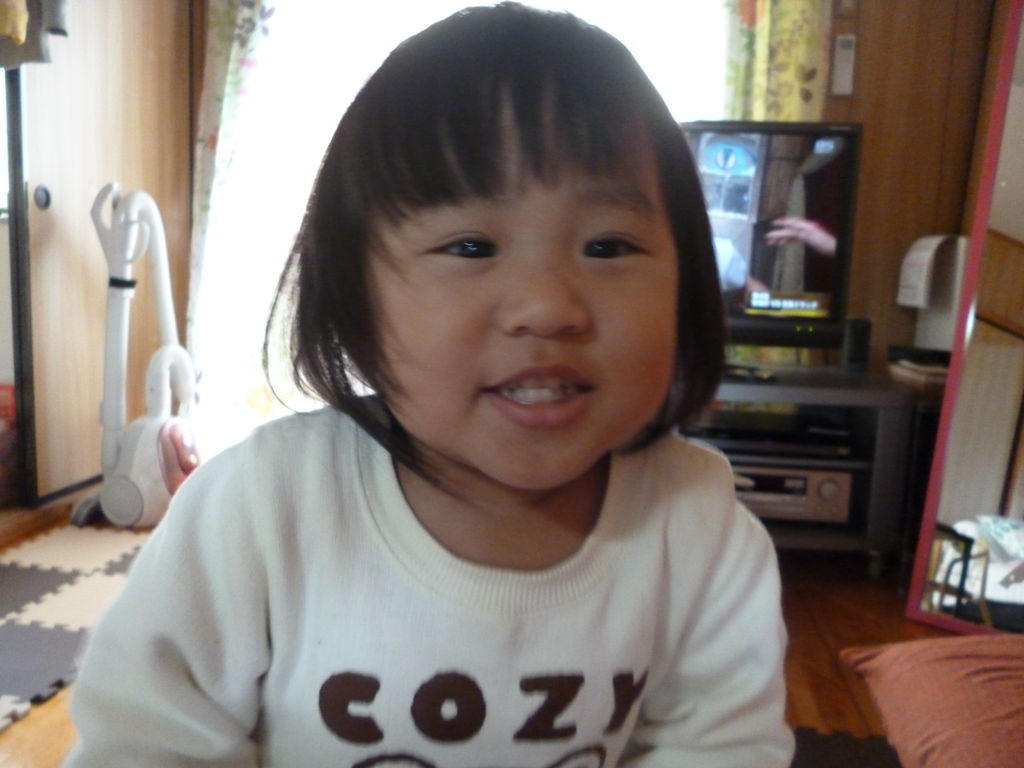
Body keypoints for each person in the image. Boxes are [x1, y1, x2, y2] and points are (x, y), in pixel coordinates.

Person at [65, 4, 793, 766]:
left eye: (608, 246)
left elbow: (721, 747)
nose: (548, 306)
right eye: (471, 246)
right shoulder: (261, 509)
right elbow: (144, 742)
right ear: (355, 295)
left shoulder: (696, 528)